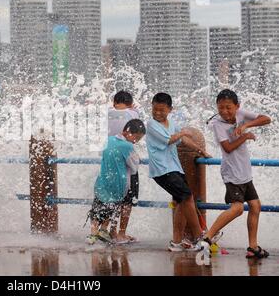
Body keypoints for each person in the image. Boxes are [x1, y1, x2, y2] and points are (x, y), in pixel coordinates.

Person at [202, 89, 271, 258]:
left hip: (245, 172)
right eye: (221, 108)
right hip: (232, 173)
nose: (225, 112)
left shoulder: (241, 114)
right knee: (238, 208)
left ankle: (252, 247)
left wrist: (246, 124)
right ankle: (207, 237)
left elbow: (266, 119)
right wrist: (245, 136)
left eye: (228, 108)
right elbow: (228, 148)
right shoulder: (218, 124)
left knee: (255, 206)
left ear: (237, 106)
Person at [146, 92, 211, 252]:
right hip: (162, 170)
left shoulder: (171, 123)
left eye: (162, 110)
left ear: (170, 109)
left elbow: (183, 140)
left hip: (175, 168)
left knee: (182, 202)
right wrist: (182, 133)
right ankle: (199, 237)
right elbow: (170, 139)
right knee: (188, 197)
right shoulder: (151, 124)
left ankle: (176, 242)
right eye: (155, 110)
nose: (158, 113)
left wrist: (200, 150)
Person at [86, 119, 146, 245]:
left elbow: (101, 153)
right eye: (136, 138)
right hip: (119, 183)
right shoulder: (128, 146)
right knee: (114, 207)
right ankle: (103, 231)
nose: (135, 141)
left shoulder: (108, 140)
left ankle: (93, 234)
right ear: (127, 132)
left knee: (98, 206)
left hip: (102, 180)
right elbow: (134, 166)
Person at [108, 91, 140, 243]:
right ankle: (121, 233)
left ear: (114, 102)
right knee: (127, 200)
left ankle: (111, 231)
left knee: (113, 199)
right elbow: (138, 129)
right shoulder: (132, 114)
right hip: (127, 162)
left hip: (109, 163)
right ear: (130, 103)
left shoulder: (107, 113)